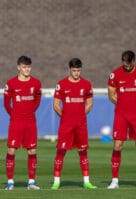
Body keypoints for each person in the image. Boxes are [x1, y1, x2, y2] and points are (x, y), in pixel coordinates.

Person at [106, 50, 136, 189]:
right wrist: (122, 105)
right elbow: (111, 95)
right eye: (124, 63)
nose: (126, 66)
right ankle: (114, 181)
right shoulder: (115, 74)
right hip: (121, 115)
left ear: (133, 61)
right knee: (117, 145)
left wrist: (135, 106)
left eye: (128, 64)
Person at [50, 58, 97, 190]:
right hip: (66, 125)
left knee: (83, 152)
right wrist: (65, 116)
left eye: (78, 70)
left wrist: (82, 114)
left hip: (81, 125)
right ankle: (56, 182)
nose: (76, 73)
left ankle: (86, 181)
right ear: (70, 70)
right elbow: (56, 105)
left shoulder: (86, 84)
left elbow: (90, 103)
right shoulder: (62, 84)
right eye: (74, 70)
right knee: (61, 152)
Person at [4, 55, 42, 190]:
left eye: (29, 67)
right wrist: (14, 115)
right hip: (16, 122)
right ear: (18, 67)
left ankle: (31, 182)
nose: (27, 70)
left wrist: (31, 111)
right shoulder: (11, 83)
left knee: (32, 151)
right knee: (11, 150)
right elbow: (6, 103)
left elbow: (37, 99)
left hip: (30, 122)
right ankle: (10, 182)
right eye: (24, 67)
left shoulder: (36, 83)